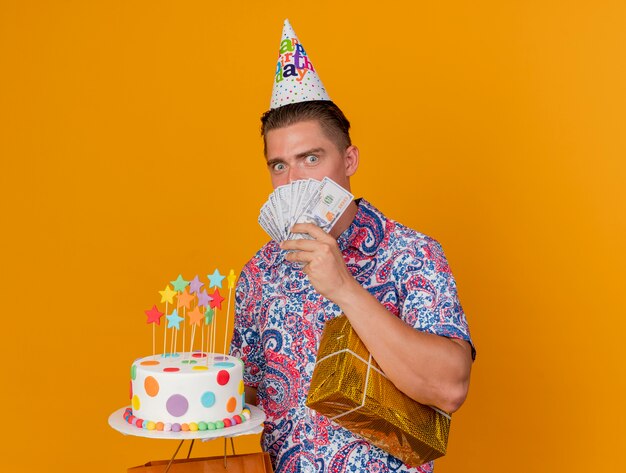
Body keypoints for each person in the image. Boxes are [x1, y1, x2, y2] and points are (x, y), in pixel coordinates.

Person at [230, 20, 474, 473]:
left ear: (349, 159)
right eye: (279, 164)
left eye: (311, 157)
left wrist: (344, 287)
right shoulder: (258, 274)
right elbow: (240, 402)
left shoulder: (412, 255)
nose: (294, 179)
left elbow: (449, 388)